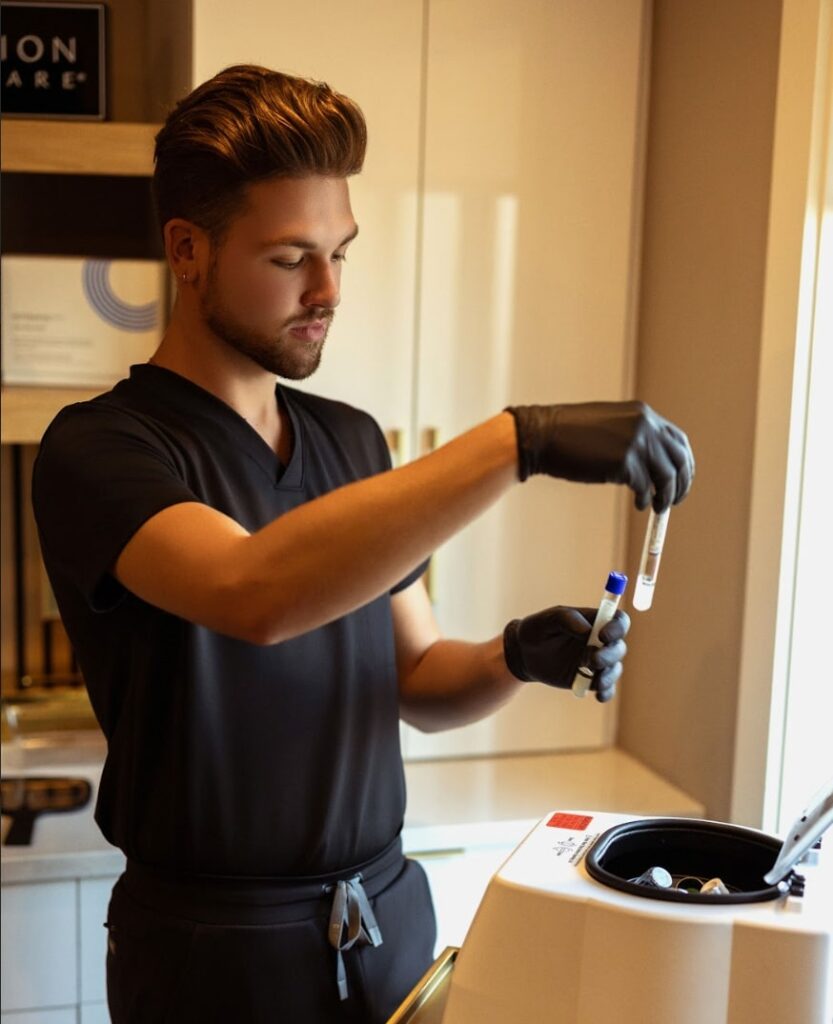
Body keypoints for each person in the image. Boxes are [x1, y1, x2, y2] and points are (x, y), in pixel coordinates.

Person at [32, 65, 694, 1024]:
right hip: (212, 956)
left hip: (383, 924)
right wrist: (523, 437)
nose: (329, 289)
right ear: (187, 250)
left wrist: (514, 655)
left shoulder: (349, 439)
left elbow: (417, 678)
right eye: (290, 257)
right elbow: (253, 591)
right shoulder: (104, 449)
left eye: (340, 251)